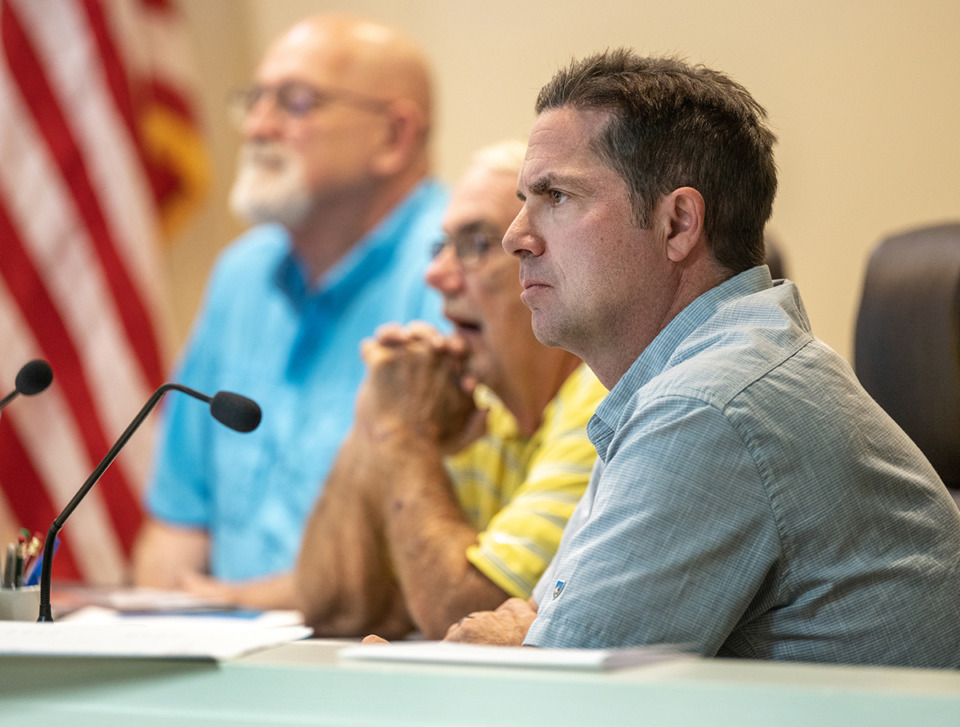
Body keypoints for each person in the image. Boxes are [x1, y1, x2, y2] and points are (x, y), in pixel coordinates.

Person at [439, 50, 960, 668]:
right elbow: (548, 637)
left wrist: (519, 643)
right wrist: (529, 638)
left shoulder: (711, 406)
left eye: (555, 196)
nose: (515, 237)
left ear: (678, 223)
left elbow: (558, 698)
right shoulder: (678, 387)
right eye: (526, 198)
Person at [132, 15, 449, 606]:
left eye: (295, 103)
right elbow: (177, 523)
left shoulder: (459, 266)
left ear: (395, 136)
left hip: (371, 659)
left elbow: (451, 546)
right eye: (254, 100)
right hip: (219, 658)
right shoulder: (241, 274)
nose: (257, 126)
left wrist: (238, 604)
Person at [295, 141, 607, 639]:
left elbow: (465, 613)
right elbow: (336, 608)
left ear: (550, 265)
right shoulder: (473, 402)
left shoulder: (603, 395)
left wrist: (403, 433)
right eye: (440, 247)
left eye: (476, 245)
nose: (435, 276)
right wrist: (375, 411)